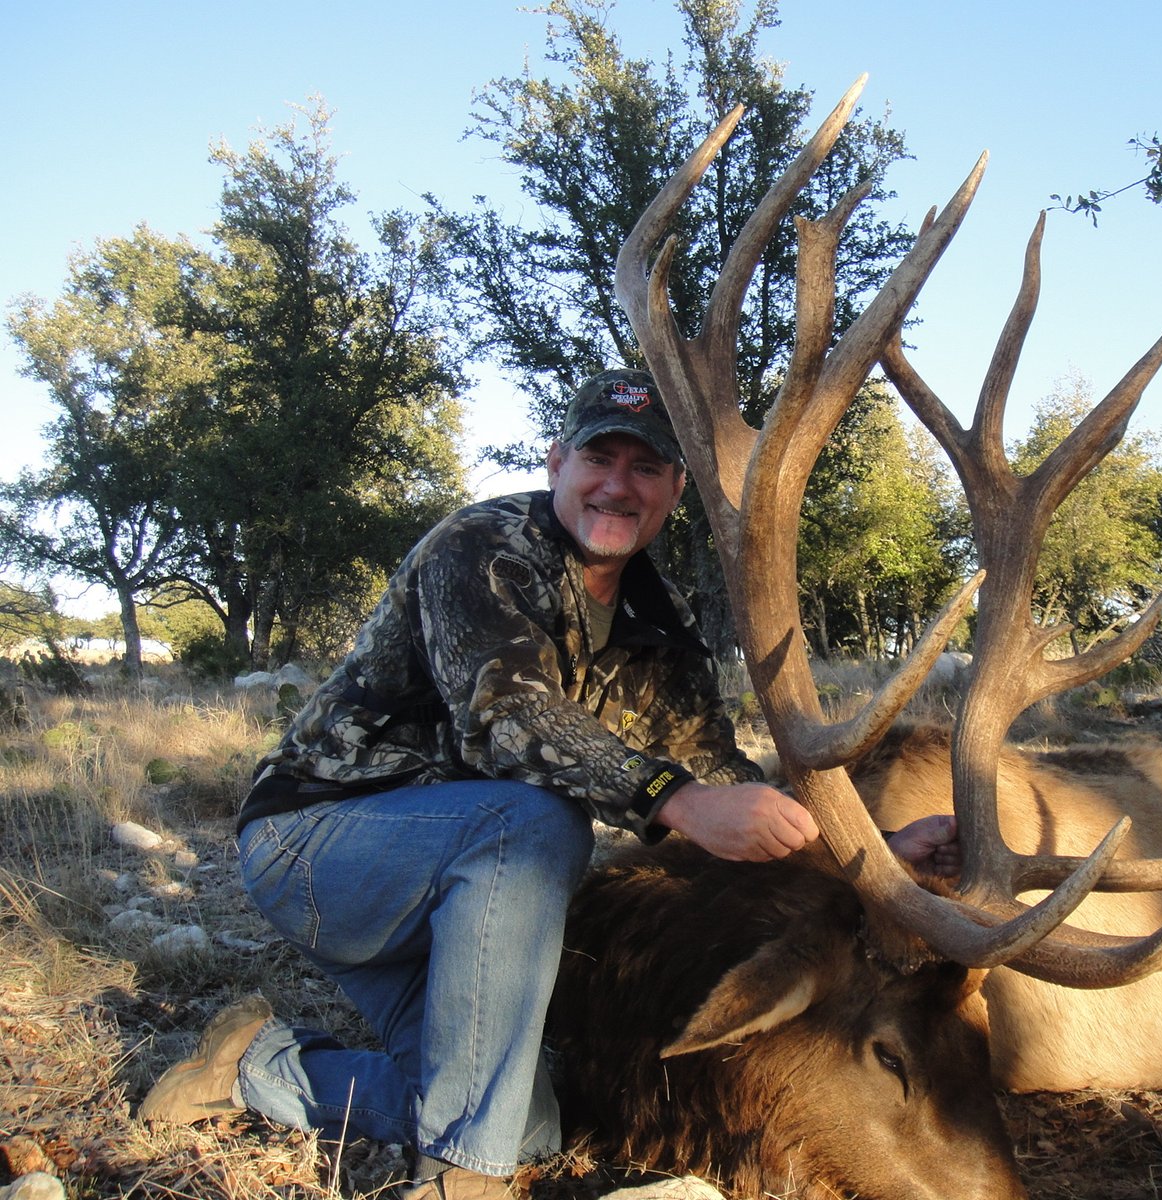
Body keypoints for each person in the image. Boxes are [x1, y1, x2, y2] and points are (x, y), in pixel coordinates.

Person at [138, 369, 958, 1200]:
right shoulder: (482, 550)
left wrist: (865, 854)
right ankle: (463, 1180)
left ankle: (257, 1067)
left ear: (675, 487)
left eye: (646, 468)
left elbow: (719, 780)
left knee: (528, 1119)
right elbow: (508, 713)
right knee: (535, 823)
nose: (618, 484)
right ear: (558, 459)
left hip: (458, 908)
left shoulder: (657, 619)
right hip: (323, 852)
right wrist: (677, 803)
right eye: (601, 457)